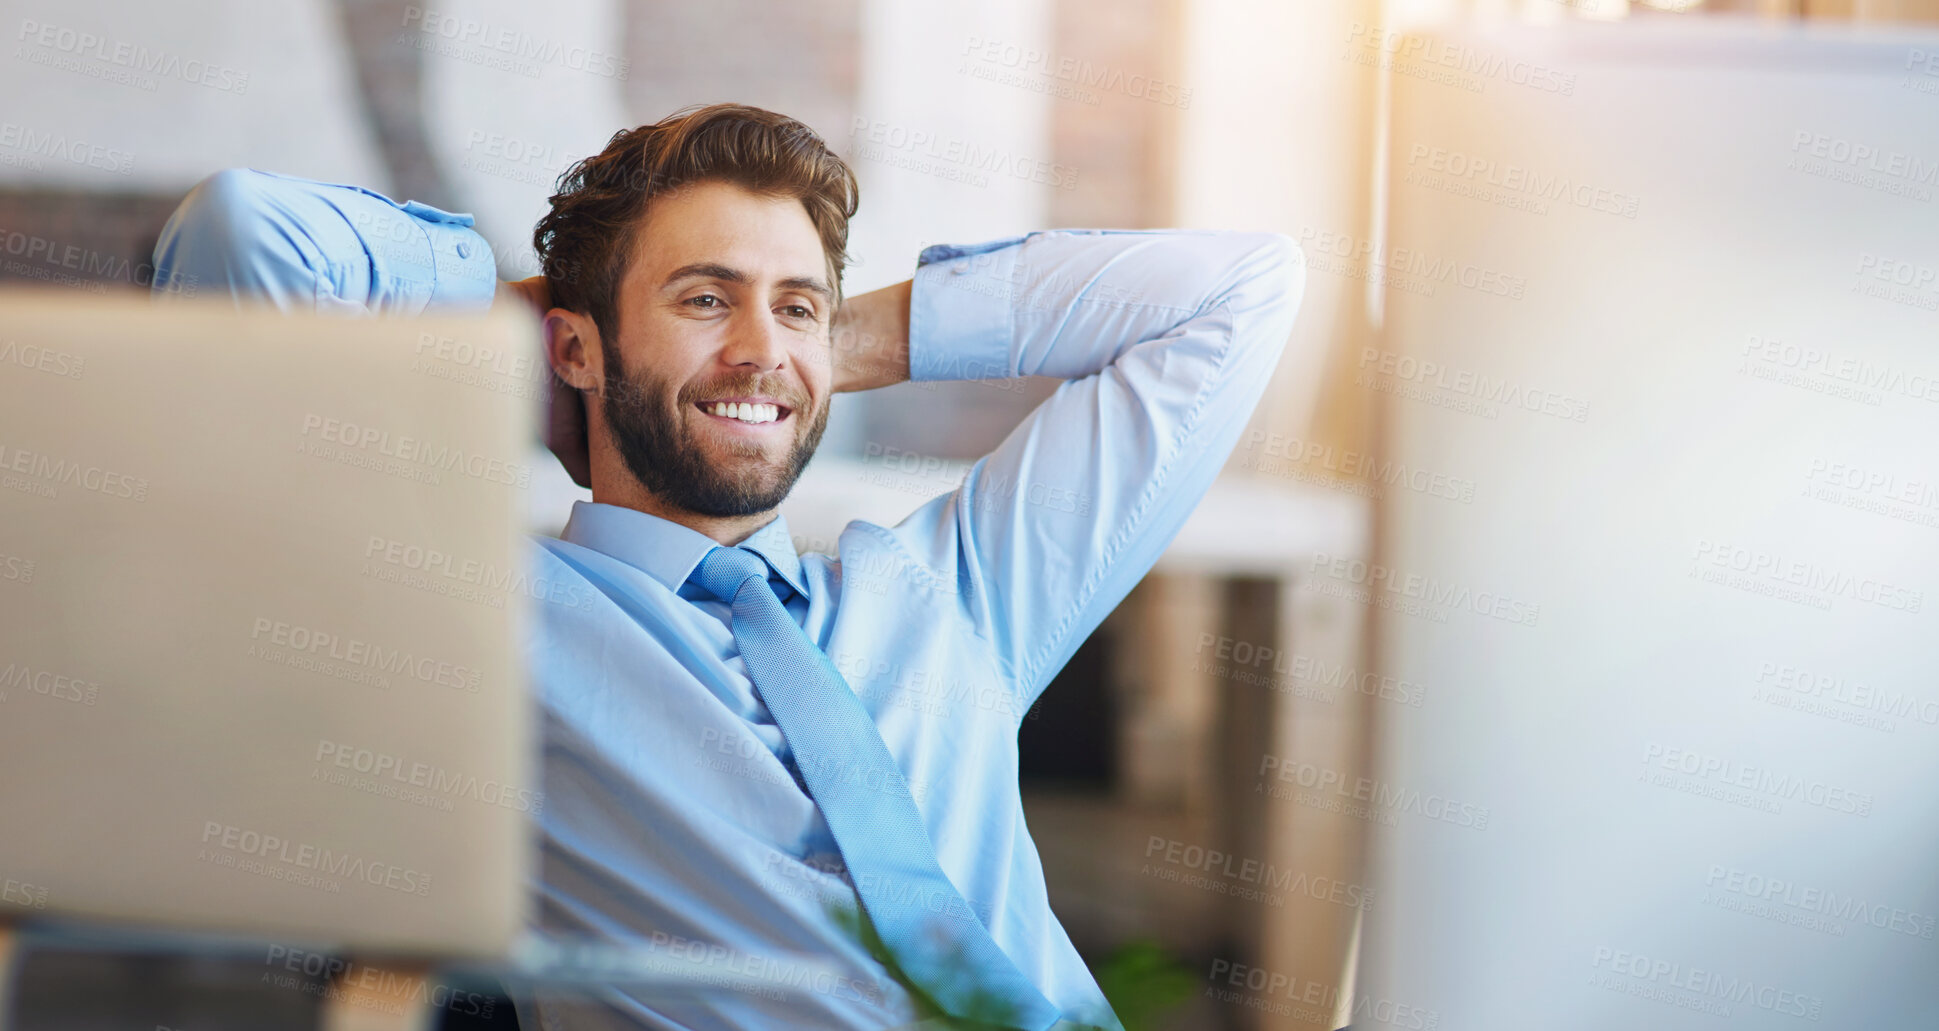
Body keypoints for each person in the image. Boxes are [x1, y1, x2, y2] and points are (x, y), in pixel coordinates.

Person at [151, 102, 1306, 1031]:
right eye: (703, 297)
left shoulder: (961, 589)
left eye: (796, 302)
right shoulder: (459, 618)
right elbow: (245, 237)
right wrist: (534, 335)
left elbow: (1237, 289)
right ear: (577, 345)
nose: (760, 341)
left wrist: (819, 347)